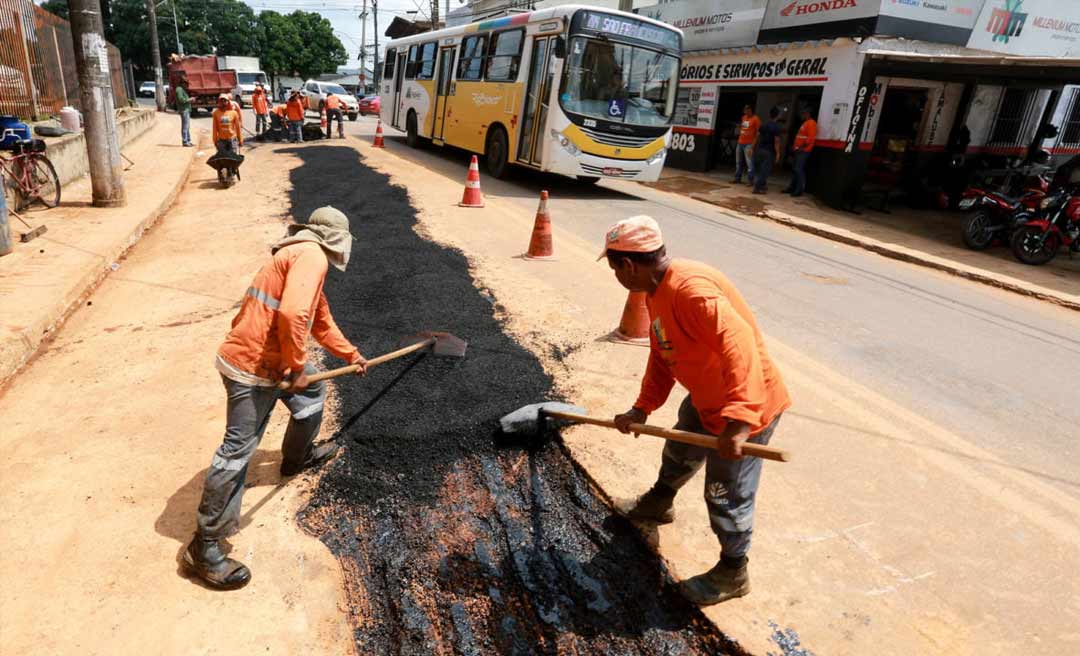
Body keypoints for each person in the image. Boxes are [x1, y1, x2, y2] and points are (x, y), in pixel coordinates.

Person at [602, 215, 791, 606]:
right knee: (679, 450)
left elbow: (740, 346)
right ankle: (659, 501)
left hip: (747, 406)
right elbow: (662, 351)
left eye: (613, 266)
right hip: (706, 397)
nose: (615, 275)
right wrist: (642, 408)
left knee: (725, 493)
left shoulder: (691, 290)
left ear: (628, 265)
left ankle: (733, 571)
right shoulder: (655, 292)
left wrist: (739, 422)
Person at [184, 206, 369, 590]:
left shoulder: (299, 256)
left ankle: (296, 458)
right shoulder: (311, 255)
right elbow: (292, 315)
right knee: (237, 451)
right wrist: (297, 364)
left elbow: (319, 320)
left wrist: (351, 354)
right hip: (251, 368)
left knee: (311, 398)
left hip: (270, 362)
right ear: (333, 240)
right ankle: (205, 547)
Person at [785, 108, 817, 197]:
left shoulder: (811, 123)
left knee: (799, 170)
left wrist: (802, 148)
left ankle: (799, 190)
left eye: (804, 113)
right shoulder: (805, 123)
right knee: (795, 169)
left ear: (808, 114)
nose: (802, 115)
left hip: (803, 151)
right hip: (798, 150)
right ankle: (792, 187)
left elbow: (810, 138)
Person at [752, 108, 783, 195]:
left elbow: (757, 136)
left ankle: (762, 186)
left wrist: (752, 147)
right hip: (769, 151)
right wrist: (778, 153)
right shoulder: (776, 127)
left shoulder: (763, 124)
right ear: (778, 115)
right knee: (765, 171)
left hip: (761, 149)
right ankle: (757, 188)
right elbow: (777, 141)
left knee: (761, 169)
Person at [733, 105, 760, 185]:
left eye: (747, 109)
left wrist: (753, 145)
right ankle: (737, 178)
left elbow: (758, 133)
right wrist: (739, 127)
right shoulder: (744, 117)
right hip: (740, 142)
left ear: (751, 110)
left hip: (749, 144)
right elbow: (743, 128)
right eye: (744, 110)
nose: (745, 111)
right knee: (738, 162)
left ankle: (750, 180)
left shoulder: (756, 119)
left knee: (749, 163)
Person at [175, 75, 193, 147]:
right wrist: (190, 99)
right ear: (183, 83)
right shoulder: (179, 89)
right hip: (183, 110)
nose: (186, 86)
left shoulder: (181, 89)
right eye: (186, 84)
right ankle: (185, 141)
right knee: (185, 126)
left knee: (187, 126)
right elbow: (181, 100)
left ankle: (188, 140)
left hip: (186, 110)